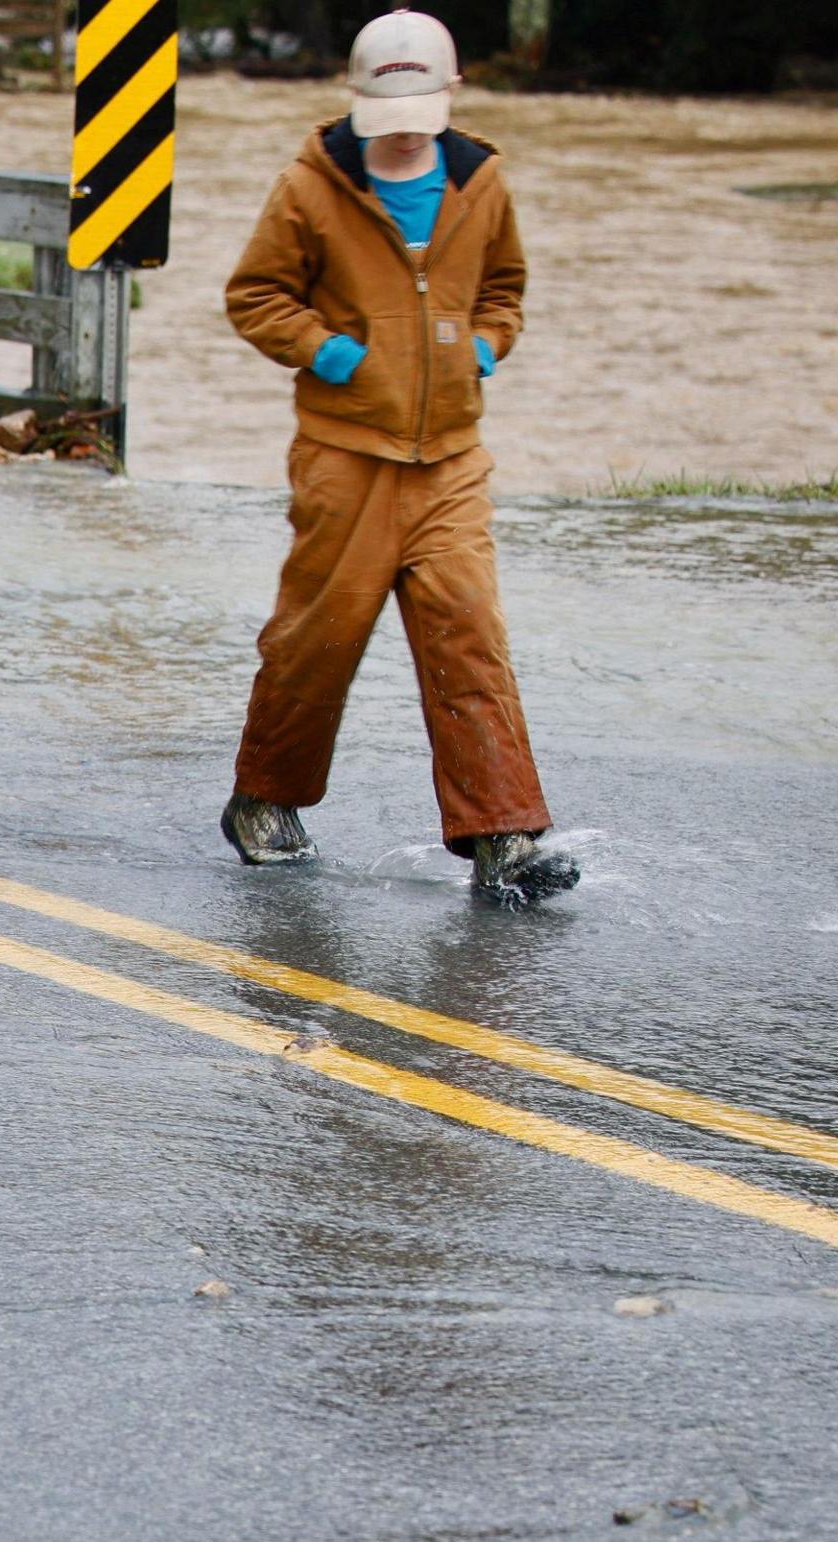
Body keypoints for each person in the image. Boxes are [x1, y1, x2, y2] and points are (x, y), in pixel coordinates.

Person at [221, 9, 575, 904]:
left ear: (452, 94)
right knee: (318, 644)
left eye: (424, 106)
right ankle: (264, 800)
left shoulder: (482, 182)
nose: (409, 126)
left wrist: (482, 349)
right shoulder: (310, 186)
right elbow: (256, 295)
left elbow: (506, 289)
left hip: (453, 457)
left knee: (471, 639)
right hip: (345, 456)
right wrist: (337, 355)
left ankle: (504, 837)